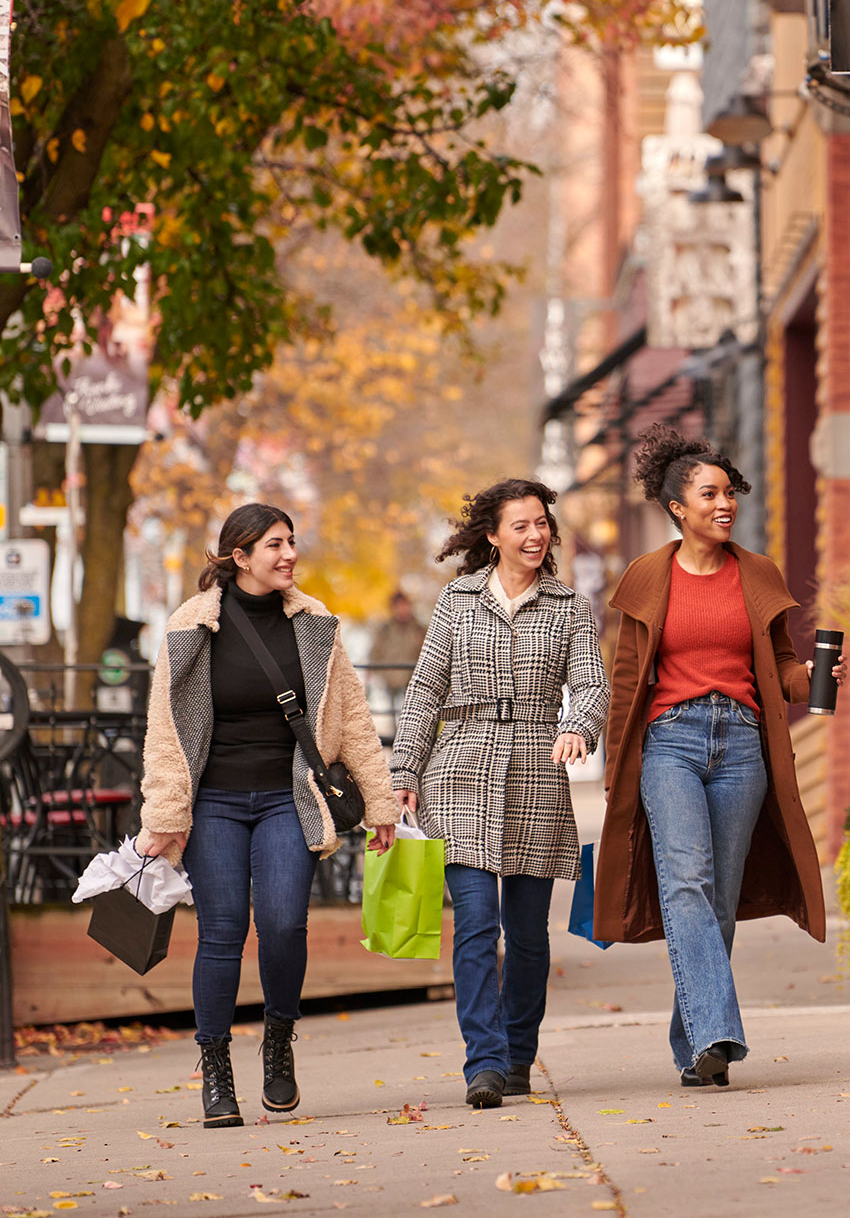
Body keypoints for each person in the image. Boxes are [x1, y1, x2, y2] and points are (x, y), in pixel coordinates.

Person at [592, 427, 846, 1090]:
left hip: (741, 744)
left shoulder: (757, 572)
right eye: (709, 493)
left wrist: (819, 682)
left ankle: (692, 1044)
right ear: (678, 505)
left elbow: (784, 668)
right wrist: (618, 766)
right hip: (670, 740)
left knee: (719, 897)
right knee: (686, 881)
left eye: (729, 491)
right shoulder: (648, 575)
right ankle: (717, 1032)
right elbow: (626, 683)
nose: (724, 502)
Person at [134, 503, 399, 1129]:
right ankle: (216, 1067)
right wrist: (165, 812)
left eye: (290, 542)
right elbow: (165, 733)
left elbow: (353, 723)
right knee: (222, 931)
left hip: (290, 796)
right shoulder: (190, 629)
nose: (288, 555)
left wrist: (381, 799)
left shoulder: (315, 625)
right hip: (216, 803)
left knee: (283, 923)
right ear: (239, 557)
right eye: (273, 545)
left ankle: (278, 1036)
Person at [390, 479, 609, 1109]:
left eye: (542, 523)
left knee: (529, 935)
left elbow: (591, 684)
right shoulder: (456, 602)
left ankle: (518, 1052)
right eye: (521, 525)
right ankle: (482, 1063)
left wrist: (577, 726)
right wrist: (404, 771)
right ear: (493, 535)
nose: (536, 535)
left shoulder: (568, 607)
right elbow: (427, 691)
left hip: (536, 774)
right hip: (457, 770)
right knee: (476, 926)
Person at [370, 590, 428, 728]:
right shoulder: (385, 629)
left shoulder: (420, 628)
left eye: (404, 605)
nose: (402, 609)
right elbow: (374, 654)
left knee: (413, 719)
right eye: (398, 605)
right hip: (390, 680)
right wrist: (381, 673)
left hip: (413, 681)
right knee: (391, 718)